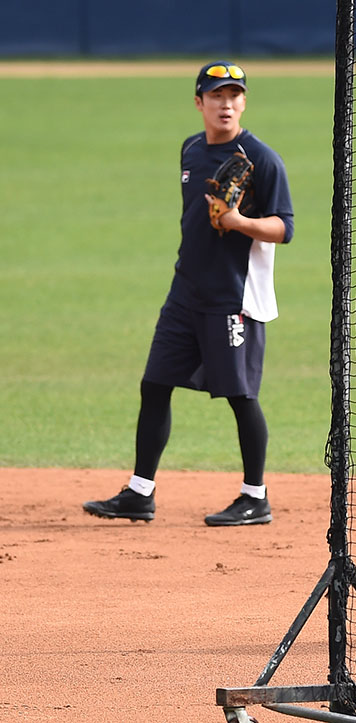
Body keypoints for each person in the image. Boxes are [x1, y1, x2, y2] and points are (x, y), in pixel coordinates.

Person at [83, 61, 295, 526]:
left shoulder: (262, 159)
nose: (226, 103)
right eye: (216, 95)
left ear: (243, 102)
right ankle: (140, 493)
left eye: (235, 95)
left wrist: (239, 223)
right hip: (185, 293)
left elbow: (285, 227)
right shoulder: (191, 150)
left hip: (232, 297)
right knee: (155, 385)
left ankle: (255, 496)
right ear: (199, 102)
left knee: (240, 395)